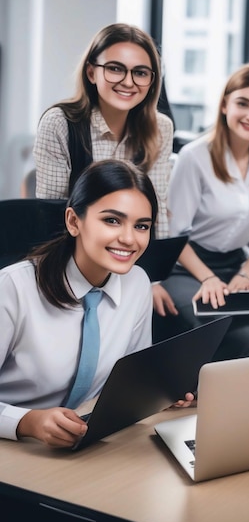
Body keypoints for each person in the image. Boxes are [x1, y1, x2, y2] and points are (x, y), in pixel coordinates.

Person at [0, 160, 193, 448]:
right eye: (112, 220)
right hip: (15, 444)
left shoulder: (137, 283)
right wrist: (28, 421)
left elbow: (131, 377)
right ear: (73, 221)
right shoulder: (13, 287)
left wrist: (156, 395)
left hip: (81, 439)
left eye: (141, 226)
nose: (129, 239)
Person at [156, 64, 249, 361]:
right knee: (239, 335)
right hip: (186, 265)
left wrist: (246, 275)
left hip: (236, 263)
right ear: (224, 105)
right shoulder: (194, 157)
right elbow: (175, 234)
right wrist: (207, 279)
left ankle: (243, 371)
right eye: (243, 103)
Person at [33, 23, 174, 241]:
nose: (128, 82)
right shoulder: (60, 123)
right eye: (115, 69)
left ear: (152, 80)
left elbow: (156, 213)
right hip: (73, 255)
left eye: (140, 72)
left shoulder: (160, 128)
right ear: (91, 72)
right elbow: (51, 218)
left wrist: (154, 271)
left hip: (131, 253)